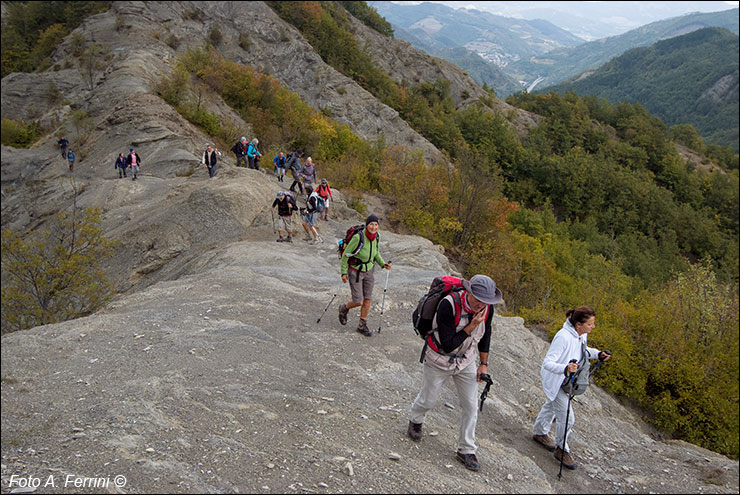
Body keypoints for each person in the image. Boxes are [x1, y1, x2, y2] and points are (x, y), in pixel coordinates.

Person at [406, 274, 502, 472]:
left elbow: (487, 333)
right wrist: (471, 326)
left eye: (486, 302)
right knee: (428, 400)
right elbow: (448, 343)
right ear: (468, 292)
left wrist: (483, 364)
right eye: (478, 299)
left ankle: (466, 449)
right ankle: (416, 419)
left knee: (471, 405)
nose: (481, 305)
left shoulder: (487, 308)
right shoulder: (448, 305)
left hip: (466, 360)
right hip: (439, 359)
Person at [531, 306, 611, 471]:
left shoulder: (581, 335)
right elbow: (547, 363)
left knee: (552, 406)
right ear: (579, 324)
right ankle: (561, 449)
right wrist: (565, 368)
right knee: (567, 416)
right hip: (556, 380)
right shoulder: (563, 337)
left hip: (566, 380)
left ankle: (539, 432)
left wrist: (598, 354)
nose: (593, 327)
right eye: (590, 324)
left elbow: (583, 351)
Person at [337, 214, 392, 337]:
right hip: (355, 271)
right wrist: (343, 273)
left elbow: (376, 253)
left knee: (367, 299)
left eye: (376, 224)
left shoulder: (377, 237)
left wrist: (383, 264)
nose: (373, 227)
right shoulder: (358, 237)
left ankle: (362, 325)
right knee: (358, 301)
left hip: (369, 270)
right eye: (371, 224)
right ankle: (344, 308)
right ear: (367, 225)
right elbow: (346, 254)